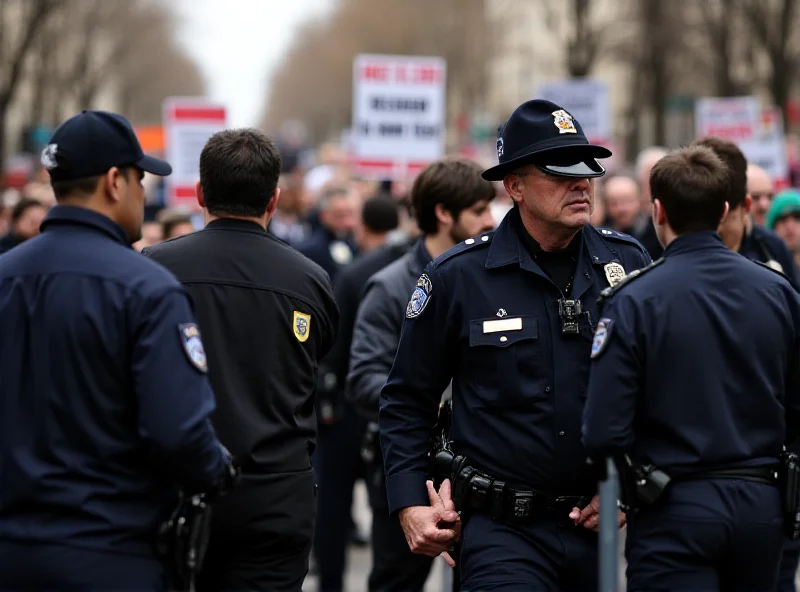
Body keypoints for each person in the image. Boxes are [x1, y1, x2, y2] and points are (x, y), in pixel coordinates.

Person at [379, 99, 651, 591]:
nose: (581, 183)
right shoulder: (458, 277)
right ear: (516, 186)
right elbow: (406, 400)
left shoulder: (627, 263)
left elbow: (657, 391)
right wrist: (409, 503)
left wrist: (629, 487)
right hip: (502, 532)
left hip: (595, 524)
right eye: (561, 171)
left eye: (587, 169)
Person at [0, 110, 233, 590]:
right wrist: (218, 469)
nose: (144, 194)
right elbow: (179, 433)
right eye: (140, 179)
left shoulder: (6, 275)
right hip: (110, 552)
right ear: (114, 182)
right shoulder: (147, 289)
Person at [582, 145, 800, 591]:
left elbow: (604, 429)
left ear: (657, 210)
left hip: (673, 504)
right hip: (762, 504)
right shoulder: (778, 292)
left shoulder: (634, 300)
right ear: (724, 210)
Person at [143, 128, 339, 592]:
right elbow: (318, 358)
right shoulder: (311, 279)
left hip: (175, 489)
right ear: (274, 199)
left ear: (199, 194)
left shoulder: (153, 269)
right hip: (276, 497)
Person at [349, 157, 495, 591]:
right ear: (443, 214)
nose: (491, 221)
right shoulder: (392, 286)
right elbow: (363, 377)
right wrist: (428, 404)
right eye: (478, 211)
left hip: (480, 466)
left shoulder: (491, 279)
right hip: (412, 465)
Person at [312, 194, 403, 592]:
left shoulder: (354, 274)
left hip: (348, 409)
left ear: (362, 225)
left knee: (332, 507)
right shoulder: (411, 272)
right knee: (388, 511)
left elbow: (332, 343)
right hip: (390, 404)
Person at [693, 136, 799, 288]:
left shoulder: (772, 248)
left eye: (770, 196)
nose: (764, 205)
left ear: (745, 206)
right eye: (707, 219)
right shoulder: (680, 252)